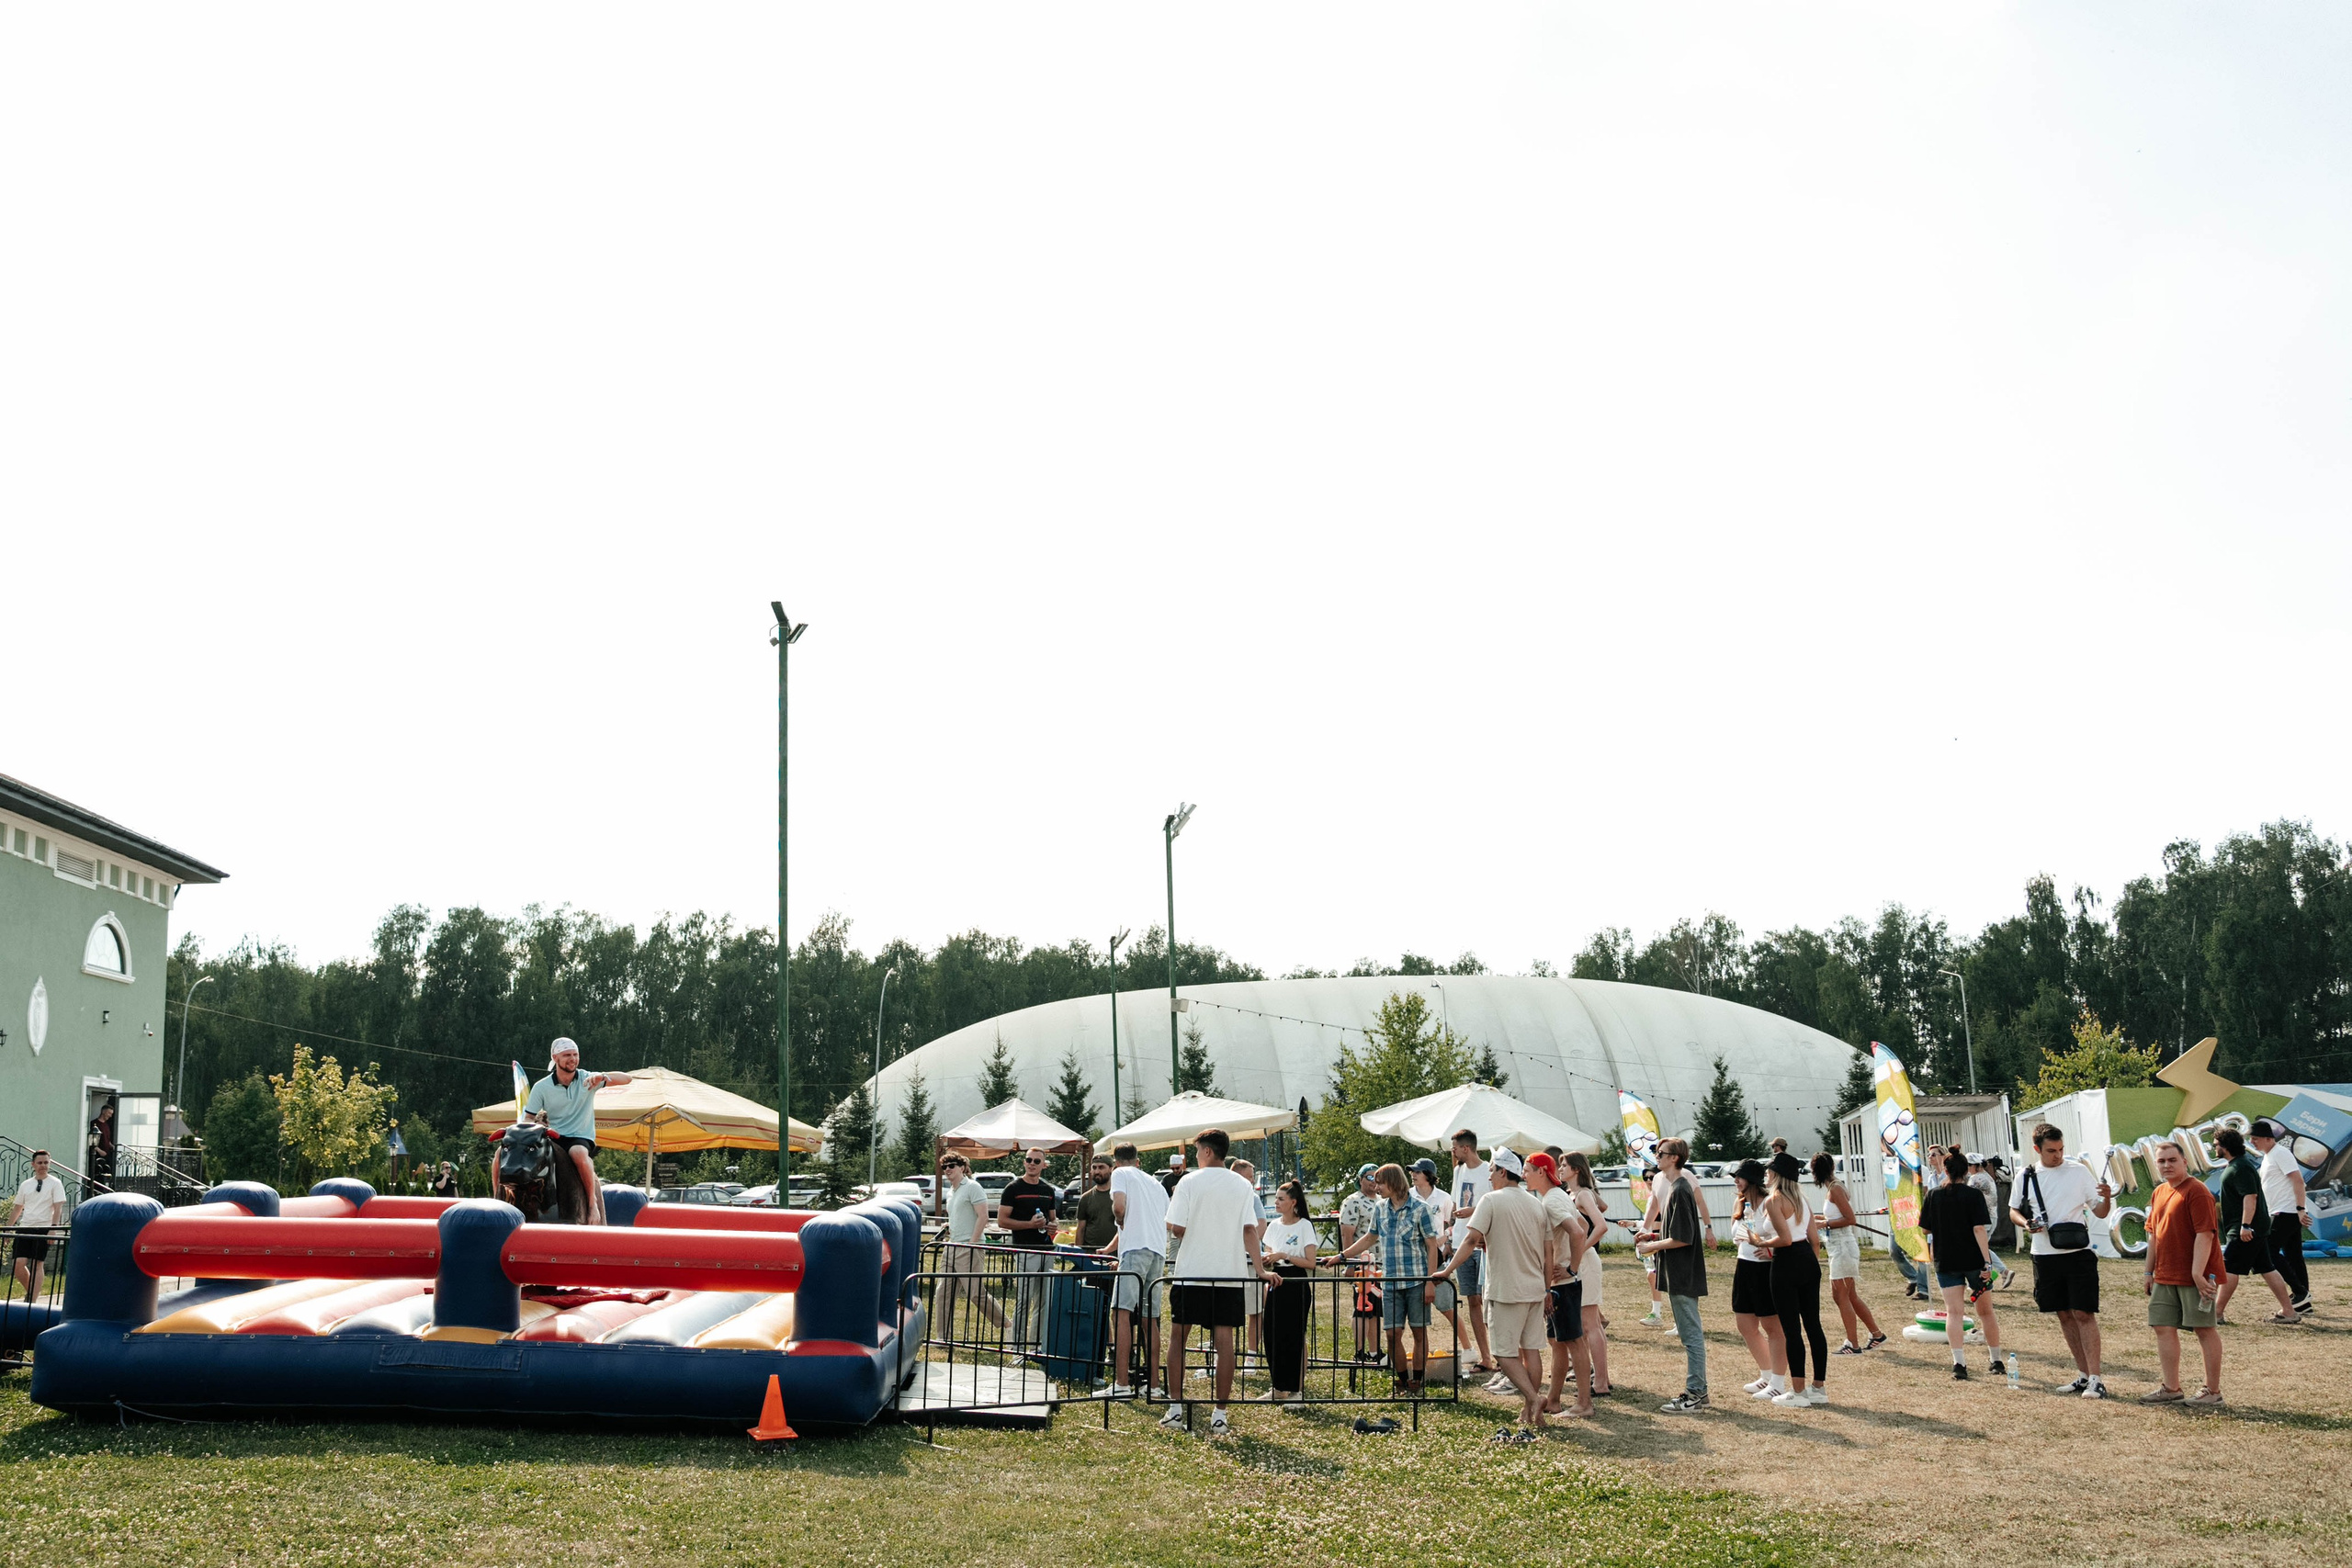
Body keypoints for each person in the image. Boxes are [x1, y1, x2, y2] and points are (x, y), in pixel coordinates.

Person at [1160, 1127, 1279, 1437]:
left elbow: (1176, 1228)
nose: (1196, 1156)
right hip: (1229, 1274)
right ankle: (1220, 1414)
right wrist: (1261, 1269)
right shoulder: (1242, 1185)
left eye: (1198, 1151)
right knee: (1225, 1343)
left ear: (1208, 1151)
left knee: (1178, 1339)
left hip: (1191, 1273)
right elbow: (1249, 1231)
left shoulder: (1188, 1181)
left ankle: (1175, 1409)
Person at [1439, 1148, 1554, 1438]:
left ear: (1503, 1172)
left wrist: (1446, 1270)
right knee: (1530, 1350)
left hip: (1507, 1290)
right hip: (1534, 1288)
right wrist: (1547, 1286)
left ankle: (1533, 1399)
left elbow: (1469, 1239)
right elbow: (1547, 1250)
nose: (1488, 1176)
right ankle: (1529, 1413)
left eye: (1491, 1170)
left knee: (1503, 1354)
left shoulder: (1490, 1201)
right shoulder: (1536, 1204)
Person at [2008, 1122, 2113, 1397]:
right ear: (2037, 1150)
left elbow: (2100, 1212)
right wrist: (2026, 1224)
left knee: (2084, 1313)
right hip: (2044, 1254)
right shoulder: (2026, 1175)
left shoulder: (2078, 1171)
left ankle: (2096, 1378)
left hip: (2078, 1254)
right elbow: (2013, 1211)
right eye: (2051, 1150)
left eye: (2061, 1149)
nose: (2058, 1155)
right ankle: (2082, 1374)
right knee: (2064, 1315)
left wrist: (2107, 1199)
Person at [1326, 1163, 1442, 1393]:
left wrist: (1430, 1281)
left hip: (1417, 1281)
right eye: (1375, 1182)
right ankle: (1401, 1378)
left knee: (1419, 1331)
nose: (1376, 1187)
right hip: (1390, 1282)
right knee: (1391, 1333)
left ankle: (1416, 1381)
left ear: (1394, 1182)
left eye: (1380, 1182)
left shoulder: (1421, 1208)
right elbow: (1370, 1237)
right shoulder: (1380, 1208)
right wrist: (1342, 1256)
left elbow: (1431, 1246)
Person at [2141, 1138, 2223, 1405]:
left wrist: (2198, 1274)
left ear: (2185, 1161)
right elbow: (2153, 1235)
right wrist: (2148, 1272)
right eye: (2161, 1161)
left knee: (2204, 1329)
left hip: (2195, 1277)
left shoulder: (2197, 1191)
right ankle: (2171, 1388)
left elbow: (2205, 1235)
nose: (2167, 1165)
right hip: (2165, 1275)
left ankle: (2212, 1391)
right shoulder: (2159, 1192)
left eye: (2172, 1160)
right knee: (2162, 1327)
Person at [523, 1040, 631, 1225]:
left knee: (578, 1153)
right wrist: (528, 1134)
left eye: (575, 1054)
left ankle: (592, 1205)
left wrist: (602, 1076)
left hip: (580, 1136)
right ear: (555, 1058)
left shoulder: (588, 1079)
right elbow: (528, 1118)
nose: (573, 1059)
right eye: (567, 1055)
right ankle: (519, 1205)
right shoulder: (541, 1087)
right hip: (555, 1137)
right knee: (517, 1154)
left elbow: (627, 1079)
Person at [1637, 1137, 1710, 1413]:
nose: (1657, 1156)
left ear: (1675, 1158)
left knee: (1691, 1336)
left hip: (1683, 1272)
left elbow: (1683, 1238)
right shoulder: (1674, 1187)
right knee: (1690, 1335)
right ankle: (1699, 1392)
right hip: (1679, 1271)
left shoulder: (1680, 1189)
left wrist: (1651, 1245)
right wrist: (1653, 1235)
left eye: (1661, 1152)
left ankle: (1694, 1394)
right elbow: (1676, 1232)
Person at [1921, 1147, 2004, 1382]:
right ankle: (1996, 1359)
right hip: (1974, 1260)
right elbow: (1979, 1229)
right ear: (1966, 1171)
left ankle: (1959, 1362)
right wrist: (1987, 1263)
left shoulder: (1933, 1195)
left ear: (1944, 1170)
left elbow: (1926, 1228)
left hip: (1946, 1259)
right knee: (1986, 1311)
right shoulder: (1973, 1196)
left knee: (1954, 1312)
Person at [1097, 1142, 1167, 1400]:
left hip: (1135, 1251)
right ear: (1138, 1160)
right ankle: (1155, 1385)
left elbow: (1119, 1208)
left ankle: (1122, 1383)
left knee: (1121, 1313)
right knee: (1150, 1318)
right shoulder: (1155, 1184)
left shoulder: (1120, 1174)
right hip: (1157, 1252)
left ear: (1116, 1162)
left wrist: (1121, 1220)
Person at [1525, 1152, 1592, 1419]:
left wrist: (1571, 1268)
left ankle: (1584, 1404)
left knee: (1574, 1341)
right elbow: (1585, 1224)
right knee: (1557, 1342)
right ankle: (1553, 1400)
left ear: (1542, 1171)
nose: (1524, 1176)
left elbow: (1578, 1231)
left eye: (1528, 1170)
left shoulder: (1552, 1200)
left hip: (1564, 1283)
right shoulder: (1556, 1195)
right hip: (1562, 1281)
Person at [2211, 1126, 2300, 1325]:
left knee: (2229, 1268)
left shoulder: (2240, 1167)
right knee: (2267, 1268)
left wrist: (2245, 1225)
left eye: (2216, 1144)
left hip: (2246, 1229)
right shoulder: (2237, 1165)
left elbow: (2250, 1197)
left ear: (2226, 1146)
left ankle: (2216, 1314)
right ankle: (2289, 1311)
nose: (2214, 1147)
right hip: (2253, 1228)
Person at [1765, 1152, 1828, 1407]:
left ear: (1777, 1174)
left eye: (1769, 1171)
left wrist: (1761, 1241)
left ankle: (1799, 1391)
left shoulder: (1774, 1200)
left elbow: (1784, 1239)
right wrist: (1808, 1263)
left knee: (1792, 1329)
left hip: (1786, 1260)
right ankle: (1818, 1388)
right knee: (1813, 1325)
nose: (1766, 1175)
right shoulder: (1803, 1199)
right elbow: (1814, 1240)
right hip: (1807, 1260)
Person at [1726, 1159, 1791, 1402]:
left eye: (1740, 1177)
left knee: (1773, 1328)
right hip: (1744, 1266)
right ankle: (1766, 1374)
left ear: (1753, 1180)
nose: (1736, 1181)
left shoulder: (1770, 1203)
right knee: (1745, 1324)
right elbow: (1737, 1233)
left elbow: (1785, 1236)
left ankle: (1778, 1381)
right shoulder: (1741, 1203)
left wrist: (1771, 1251)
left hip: (1766, 1271)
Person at [1810, 1152, 1885, 1355]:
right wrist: (1818, 1218)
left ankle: (1853, 1343)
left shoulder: (1835, 1189)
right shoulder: (1835, 1186)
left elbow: (1850, 1219)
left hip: (1843, 1246)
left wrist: (1823, 1223)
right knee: (1850, 1295)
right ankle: (1877, 1334)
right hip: (1838, 1246)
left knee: (1840, 1296)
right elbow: (1836, 1215)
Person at [1258, 1179, 1318, 1405]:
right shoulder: (1273, 1226)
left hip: (1296, 1282)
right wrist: (1270, 1257)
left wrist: (1284, 1254)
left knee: (1295, 1335)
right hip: (1276, 1282)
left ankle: (1297, 1389)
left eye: (1281, 1199)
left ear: (1293, 1202)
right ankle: (1279, 1387)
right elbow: (1268, 1252)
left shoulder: (1304, 1226)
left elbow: (1311, 1262)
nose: (1276, 1202)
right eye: (1276, 1198)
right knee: (1273, 1334)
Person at [1561, 1151, 1614, 1397]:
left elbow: (1601, 1225)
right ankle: (1598, 1379)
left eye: (1564, 1165)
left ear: (1576, 1170)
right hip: (1580, 1261)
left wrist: (1581, 1249)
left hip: (1586, 1262)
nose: (1560, 1169)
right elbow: (1602, 1206)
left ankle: (1600, 1383)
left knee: (1590, 1323)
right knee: (1588, 1324)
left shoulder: (1581, 1194)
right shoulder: (1577, 1194)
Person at [1446, 1130, 1498, 1376]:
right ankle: (1486, 1357)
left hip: (1483, 1242)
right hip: (1460, 1241)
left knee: (1490, 1301)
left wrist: (1473, 1211)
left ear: (1466, 1148)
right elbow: (1456, 1203)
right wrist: (1450, 1225)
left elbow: (1496, 1201)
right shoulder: (1458, 1170)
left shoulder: (1489, 1170)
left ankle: (1502, 1356)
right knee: (1472, 1300)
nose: (1452, 1151)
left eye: (1455, 1147)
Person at [2251, 1118, 2315, 1317]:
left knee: (2269, 1251)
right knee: (2294, 1255)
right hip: (2281, 1211)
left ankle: (2300, 1293)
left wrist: (2300, 1208)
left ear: (2269, 1139)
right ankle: (2304, 1302)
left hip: (2286, 1211)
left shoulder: (2281, 1153)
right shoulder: (2269, 1156)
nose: (2252, 1142)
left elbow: (2298, 1180)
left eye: (2255, 1138)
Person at [938, 1154, 1007, 1336]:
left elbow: (983, 1216)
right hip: (952, 1246)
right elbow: (961, 1215)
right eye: (944, 1167)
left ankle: (1007, 1325)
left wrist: (972, 1243)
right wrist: (949, 1225)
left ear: (962, 1167)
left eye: (951, 1165)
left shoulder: (972, 1187)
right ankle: (943, 1338)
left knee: (975, 1294)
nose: (947, 1170)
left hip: (970, 1247)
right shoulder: (951, 1192)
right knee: (942, 1292)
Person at [999, 1148, 1061, 1346]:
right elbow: (1002, 1221)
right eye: (1028, 1160)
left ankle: (1036, 1344)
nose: (1032, 1163)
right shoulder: (1013, 1188)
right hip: (1025, 1250)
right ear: (1024, 1163)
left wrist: (1053, 1225)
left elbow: (1053, 1219)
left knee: (1043, 1300)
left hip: (1046, 1249)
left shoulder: (1047, 1190)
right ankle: (1017, 1346)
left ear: (1044, 1165)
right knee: (1024, 1299)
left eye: (1036, 1161)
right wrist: (1028, 1224)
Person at [6, 1150, 67, 1303]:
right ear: (33, 1164)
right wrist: (8, 1228)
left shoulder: (55, 1183)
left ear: (50, 1163)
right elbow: (17, 1208)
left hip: (43, 1227)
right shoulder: (26, 1184)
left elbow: (58, 1207)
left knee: (37, 1263)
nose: (43, 1166)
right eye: (40, 1163)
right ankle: (33, 1293)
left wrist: (53, 1228)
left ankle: (31, 1301)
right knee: (19, 1265)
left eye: (46, 1162)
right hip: (25, 1227)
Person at [1337, 1164, 1383, 1360]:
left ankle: (1374, 1351)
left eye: (1377, 1177)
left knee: (1375, 1309)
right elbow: (1347, 1234)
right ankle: (1359, 1352)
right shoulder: (1353, 1201)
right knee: (1362, 1307)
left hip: (1379, 1264)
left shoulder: (1382, 1200)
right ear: (1360, 1179)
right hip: (1362, 1264)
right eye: (1369, 1177)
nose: (1373, 1182)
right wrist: (1350, 1263)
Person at [1074, 1156, 1119, 1251]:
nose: (1097, 1171)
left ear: (1111, 1169)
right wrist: (1079, 1255)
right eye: (1094, 1167)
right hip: (1091, 1256)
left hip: (1114, 1257)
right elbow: (1080, 1229)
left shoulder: (1119, 1196)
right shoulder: (1085, 1198)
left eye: (1101, 1167)